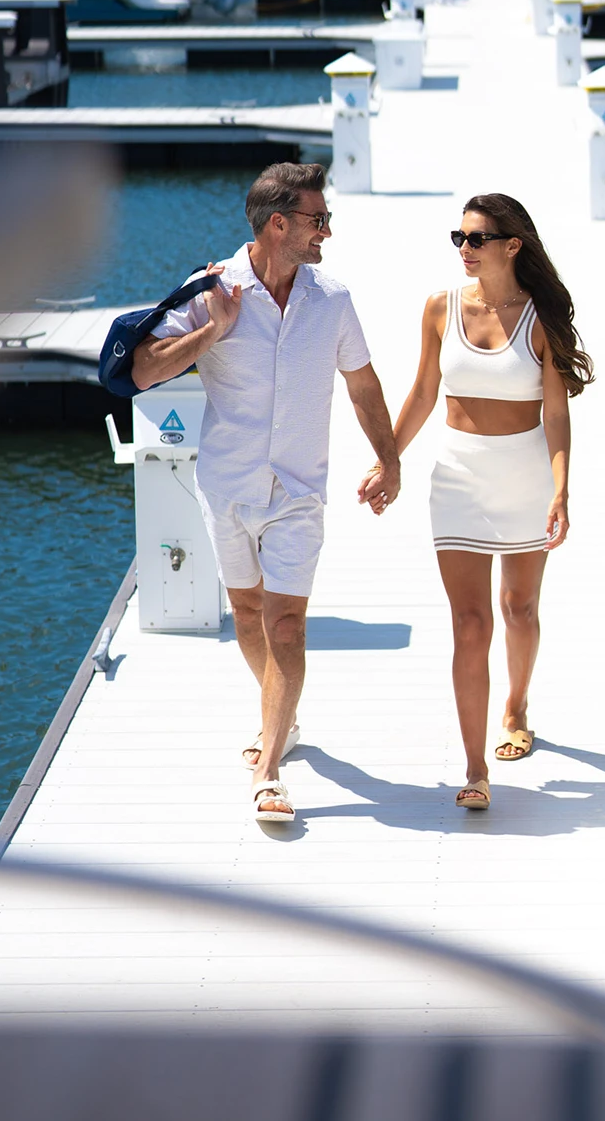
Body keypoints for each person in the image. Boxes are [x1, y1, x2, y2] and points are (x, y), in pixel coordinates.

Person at [132, 162, 400, 827]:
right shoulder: (213, 291)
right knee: (248, 613)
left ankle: (269, 767)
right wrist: (212, 332)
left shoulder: (332, 299)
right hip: (227, 482)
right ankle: (281, 714)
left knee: (286, 622)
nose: (327, 233)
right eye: (318, 220)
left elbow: (363, 385)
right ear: (278, 224)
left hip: (299, 488)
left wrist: (388, 458)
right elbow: (143, 368)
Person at [388, 194, 593, 810]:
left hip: (525, 478)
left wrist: (561, 486)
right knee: (470, 623)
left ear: (512, 245)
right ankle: (475, 769)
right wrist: (388, 458)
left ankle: (516, 705)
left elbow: (555, 412)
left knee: (519, 607)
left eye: (477, 238)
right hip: (456, 479)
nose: (465, 249)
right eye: (459, 237)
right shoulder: (439, 308)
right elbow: (424, 391)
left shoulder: (541, 319)